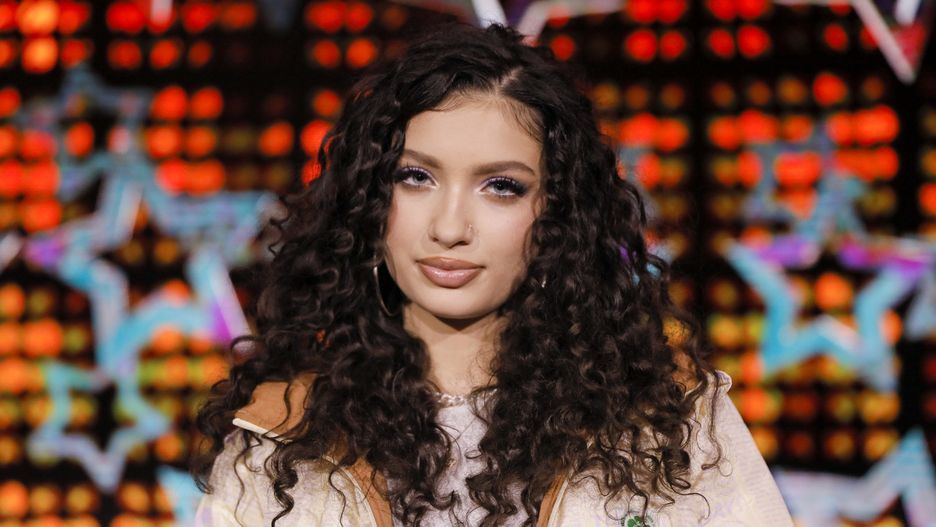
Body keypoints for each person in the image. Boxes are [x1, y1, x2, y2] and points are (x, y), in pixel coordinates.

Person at [192, 21, 794, 527]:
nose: (450, 226)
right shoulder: (279, 440)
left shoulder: (668, 421)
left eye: (501, 186)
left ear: (557, 213)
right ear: (370, 199)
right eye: (415, 177)